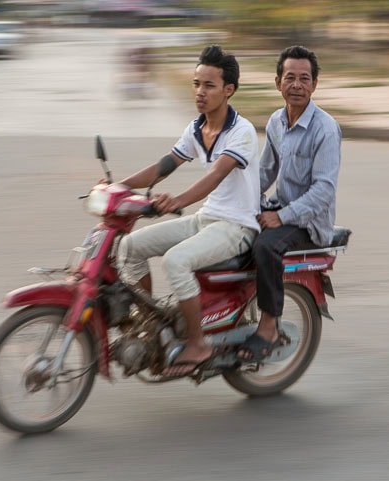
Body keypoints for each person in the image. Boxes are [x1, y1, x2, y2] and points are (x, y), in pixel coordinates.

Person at [117, 45, 260, 377]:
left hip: (236, 227)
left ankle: (198, 344)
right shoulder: (197, 128)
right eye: (196, 84)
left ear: (229, 90)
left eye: (209, 85)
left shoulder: (242, 132)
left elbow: (216, 174)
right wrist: (118, 188)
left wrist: (178, 201)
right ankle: (149, 324)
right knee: (129, 247)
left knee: (176, 261)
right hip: (207, 220)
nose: (200, 92)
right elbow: (164, 166)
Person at [236, 45, 342, 362]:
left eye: (304, 79)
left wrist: (280, 217)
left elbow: (324, 189)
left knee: (266, 246)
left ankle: (269, 326)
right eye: (290, 77)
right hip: (282, 210)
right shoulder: (276, 122)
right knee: (231, 231)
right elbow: (266, 170)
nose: (297, 85)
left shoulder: (325, 129)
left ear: (314, 84)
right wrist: (242, 201)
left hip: (309, 222)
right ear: (278, 82)